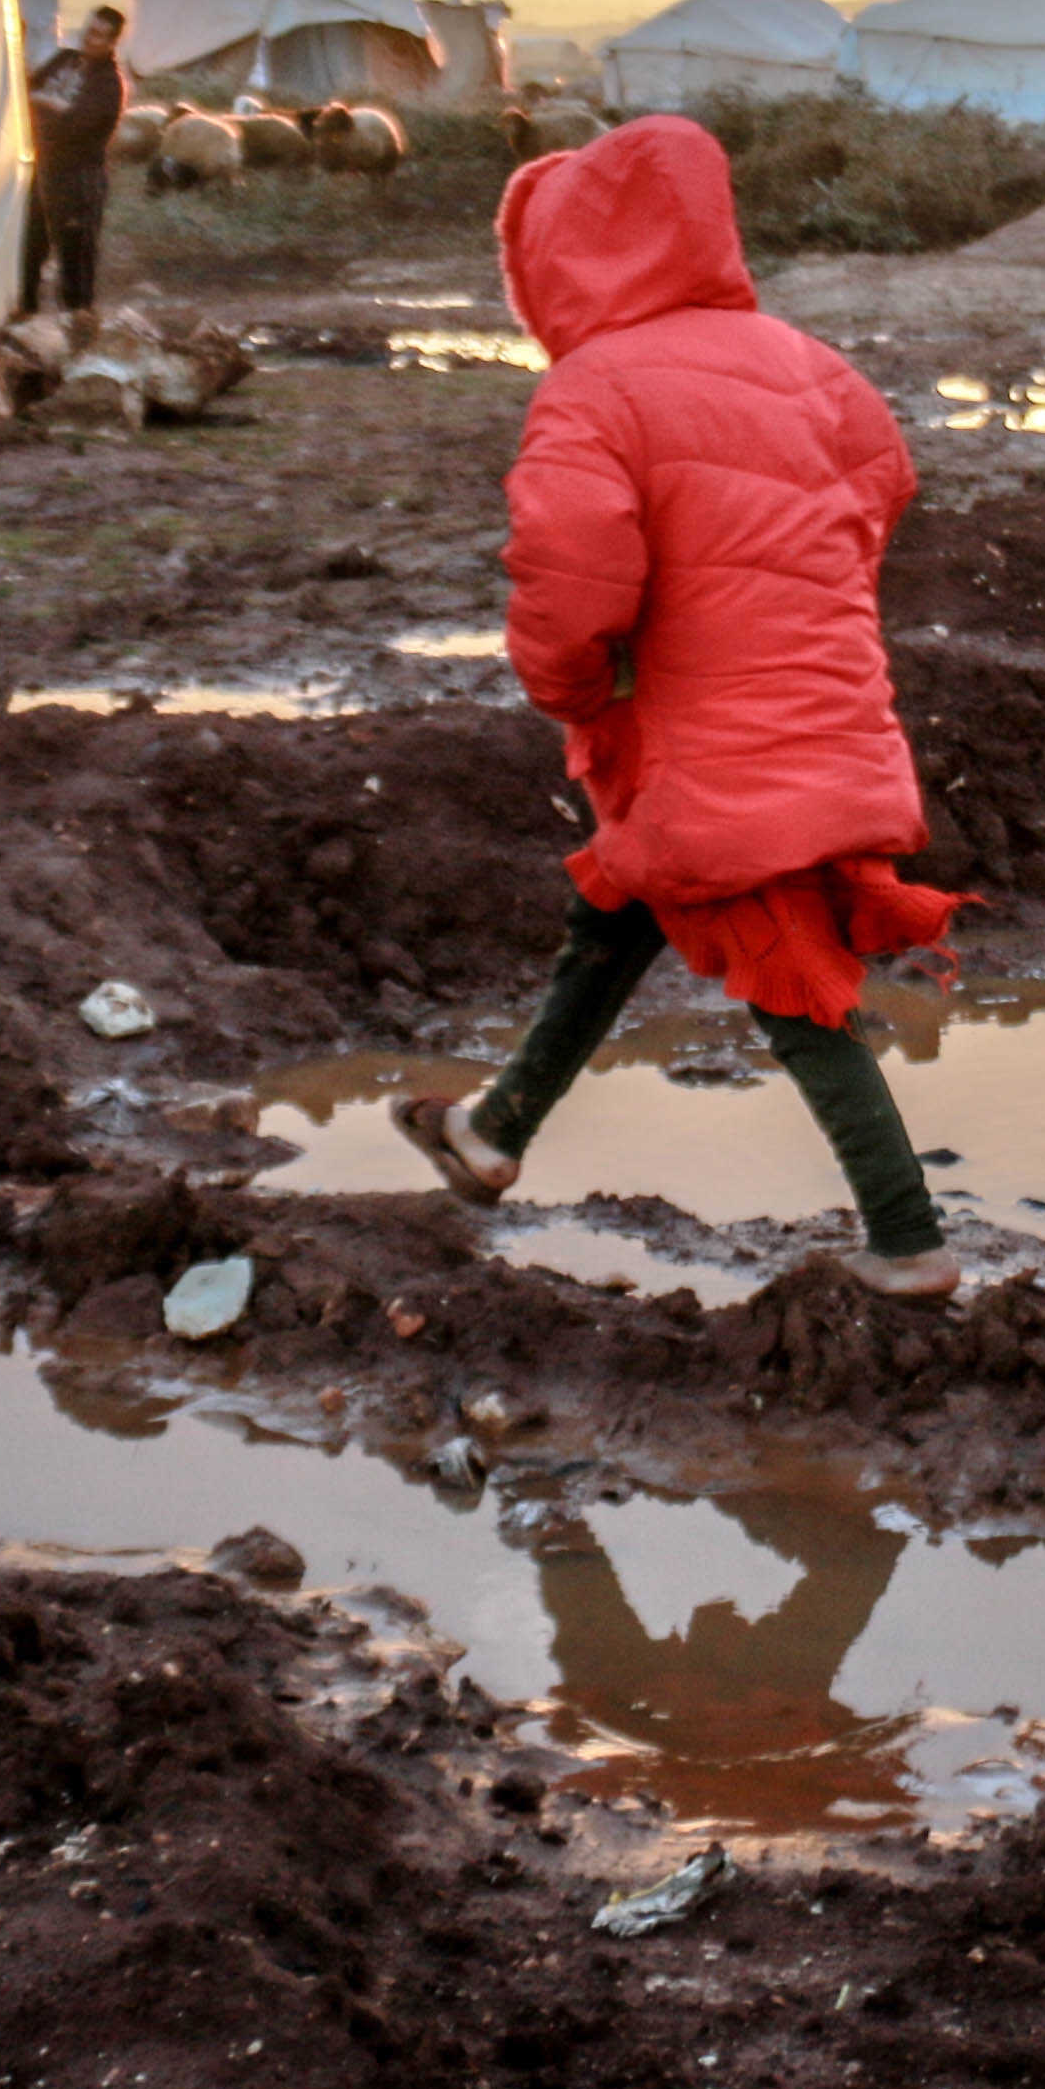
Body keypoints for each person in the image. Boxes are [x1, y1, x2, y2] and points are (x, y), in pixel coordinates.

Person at [395, 114, 966, 1297]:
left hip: (709, 738)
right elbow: (884, 486)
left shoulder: (593, 389)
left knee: (788, 975)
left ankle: (910, 1247)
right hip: (828, 703)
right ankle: (492, 1135)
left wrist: (571, 687)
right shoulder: (815, 366)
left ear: (559, 260)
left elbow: (569, 570)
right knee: (624, 905)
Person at [20, 3, 127, 318]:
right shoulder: (65, 59)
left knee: (76, 259)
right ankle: (25, 320)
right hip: (42, 169)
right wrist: (46, 103)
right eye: (89, 30)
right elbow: (28, 88)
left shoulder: (108, 83)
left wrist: (42, 103)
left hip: (78, 178)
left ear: (111, 42)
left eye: (98, 35)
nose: (89, 39)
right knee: (29, 250)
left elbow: (78, 122)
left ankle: (79, 326)